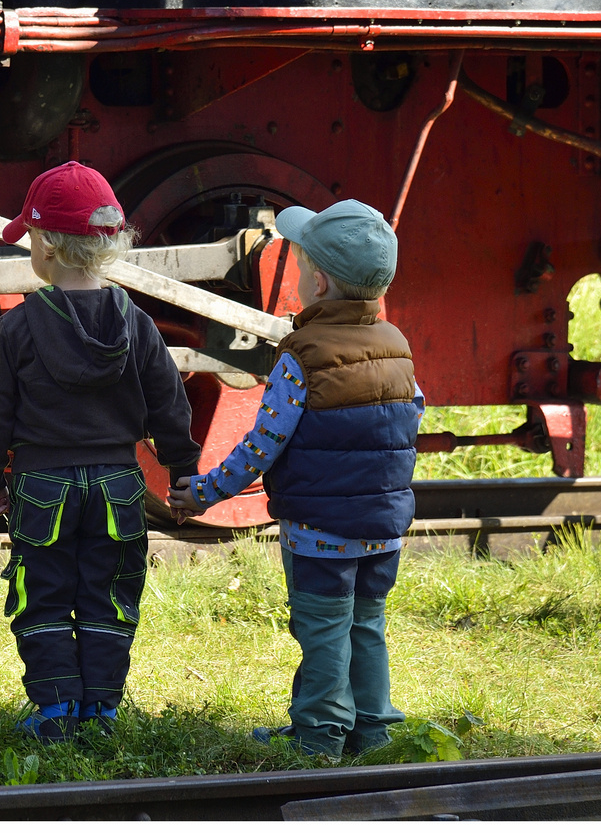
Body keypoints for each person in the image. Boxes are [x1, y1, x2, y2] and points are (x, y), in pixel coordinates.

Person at [168, 199, 422, 759]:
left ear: (321, 282)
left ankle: (319, 736)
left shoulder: (301, 355)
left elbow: (263, 444)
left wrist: (205, 491)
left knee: (324, 629)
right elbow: (410, 422)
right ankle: (372, 730)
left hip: (318, 529)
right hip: (384, 528)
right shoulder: (398, 348)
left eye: (304, 267)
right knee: (366, 624)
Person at [0, 161, 201, 743]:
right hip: (120, 484)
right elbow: (171, 405)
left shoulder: (17, 328)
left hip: (43, 485)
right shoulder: (138, 323)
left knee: (41, 594)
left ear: (45, 244)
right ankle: (102, 707)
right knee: (111, 591)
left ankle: (54, 709)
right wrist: (182, 472)